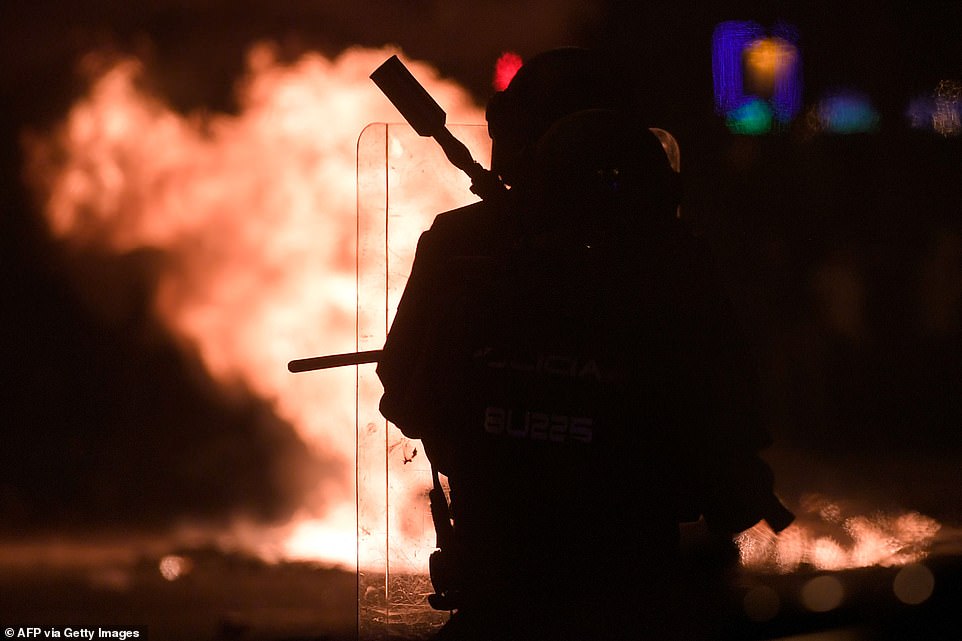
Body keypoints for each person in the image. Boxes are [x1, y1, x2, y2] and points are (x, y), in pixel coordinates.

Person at [376, 48, 792, 641]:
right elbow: (732, 442)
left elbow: (405, 399)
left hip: (500, 582)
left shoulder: (466, 245)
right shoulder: (672, 257)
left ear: (517, 137)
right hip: (636, 588)